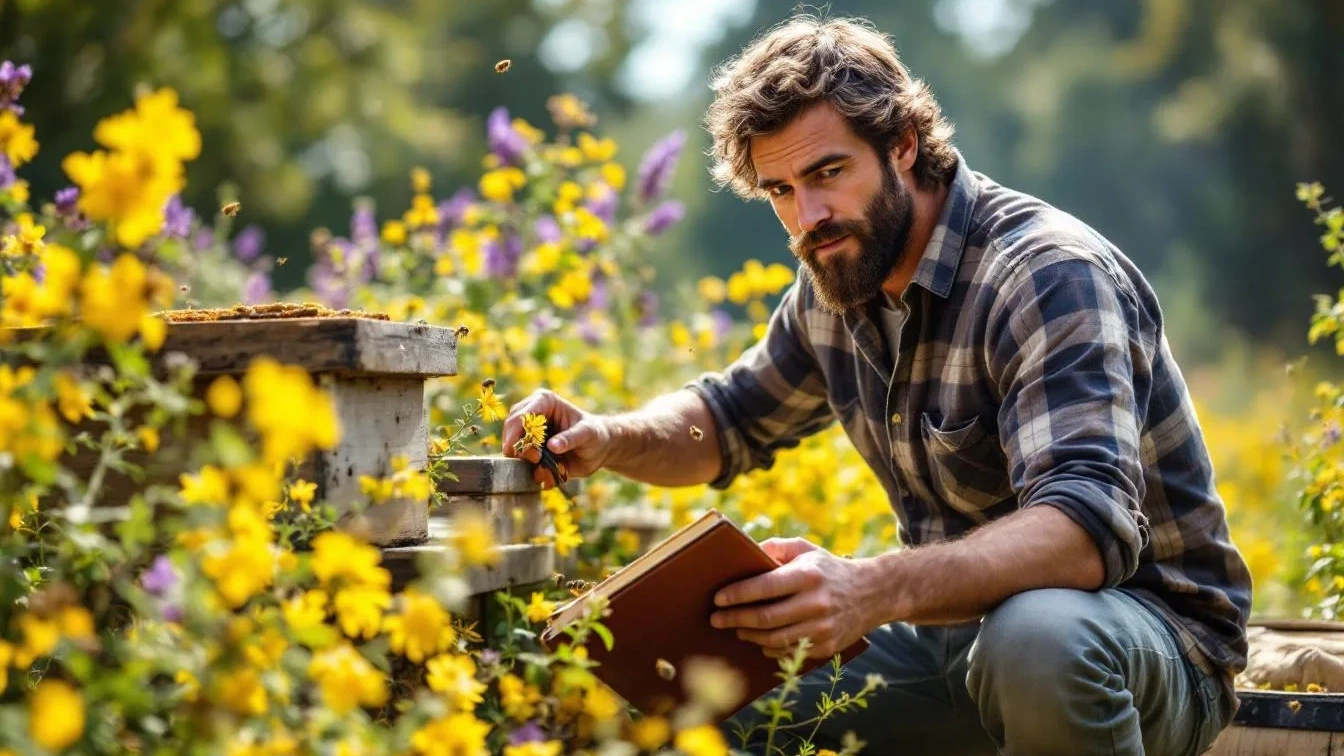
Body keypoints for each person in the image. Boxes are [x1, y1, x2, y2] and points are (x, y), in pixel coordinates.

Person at [502, 14, 1251, 756]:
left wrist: (868, 589)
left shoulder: (1045, 274)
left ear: (902, 144)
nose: (809, 216)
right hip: (952, 650)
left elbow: (1084, 531)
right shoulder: (838, 276)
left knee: (1038, 640)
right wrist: (604, 436)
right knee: (701, 688)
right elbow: (725, 421)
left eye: (828, 173)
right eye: (781, 191)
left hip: (1146, 645)